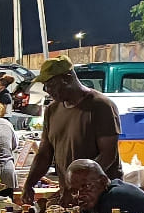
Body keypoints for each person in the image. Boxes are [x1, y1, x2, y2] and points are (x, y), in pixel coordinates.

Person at [22, 56, 122, 204]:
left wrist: (77, 188)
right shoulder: (52, 110)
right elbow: (44, 153)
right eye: (45, 85)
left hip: (99, 196)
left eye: (50, 84)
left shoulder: (101, 106)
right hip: (71, 194)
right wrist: (29, 184)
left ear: (67, 78)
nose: (47, 90)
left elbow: (108, 155)